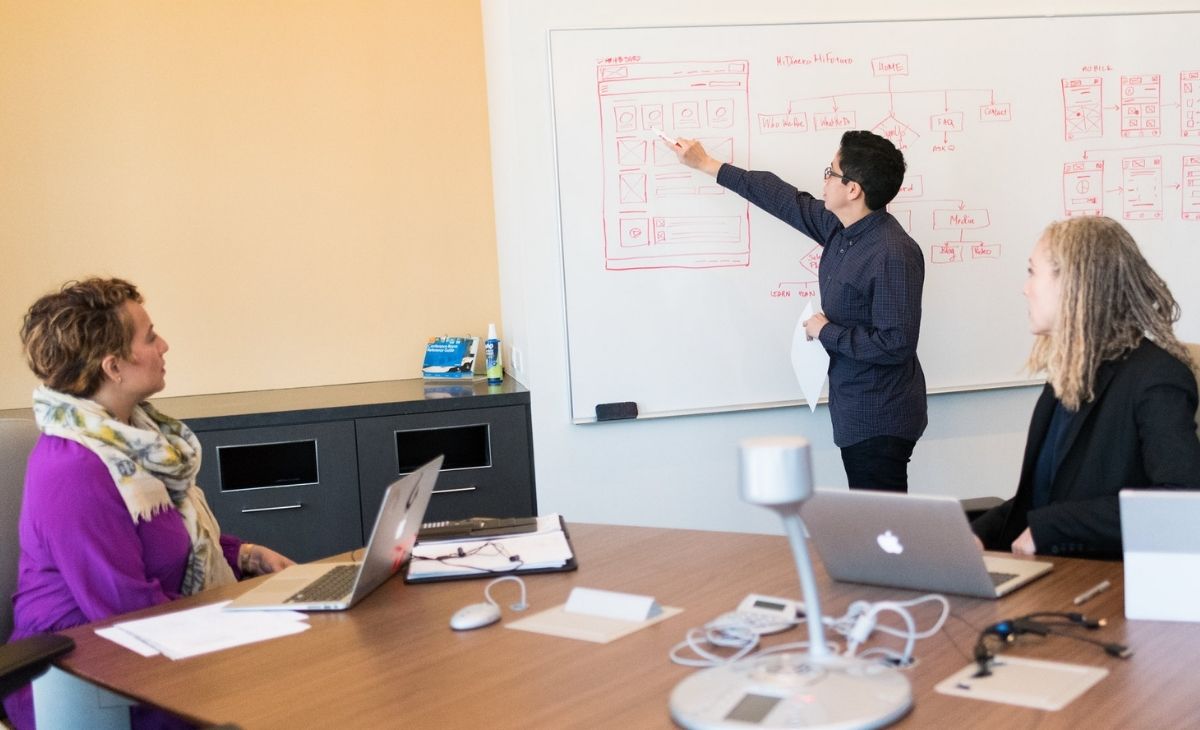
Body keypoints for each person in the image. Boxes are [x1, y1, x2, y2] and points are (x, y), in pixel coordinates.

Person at [4, 278, 294, 729]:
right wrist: (242, 623)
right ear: (114, 366)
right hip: (86, 674)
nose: (165, 345)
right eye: (150, 336)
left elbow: (174, 539)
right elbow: (126, 610)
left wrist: (246, 556)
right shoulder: (74, 469)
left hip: (154, 644)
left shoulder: (137, 440)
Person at [672, 130, 926, 491]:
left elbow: (895, 343)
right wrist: (708, 164)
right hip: (855, 408)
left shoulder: (892, 252)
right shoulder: (842, 230)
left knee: (882, 530)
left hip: (880, 416)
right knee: (873, 523)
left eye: (831, 172)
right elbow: (783, 199)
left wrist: (827, 332)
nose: (824, 180)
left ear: (853, 189)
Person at [971, 217, 1200, 558]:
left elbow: (1180, 502)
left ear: (1075, 283)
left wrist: (1052, 528)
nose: (1025, 288)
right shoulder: (1068, 376)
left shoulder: (1155, 378)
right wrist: (974, 535)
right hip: (1057, 574)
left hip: (1109, 581)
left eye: (1033, 272)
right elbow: (1041, 499)